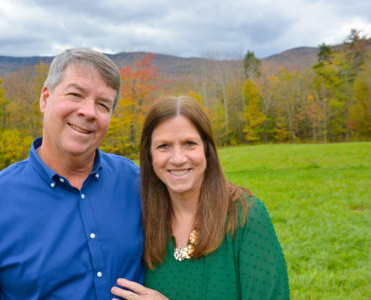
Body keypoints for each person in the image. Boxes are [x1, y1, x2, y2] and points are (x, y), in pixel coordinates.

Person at [0, 48, 144, 299]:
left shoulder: (137, 184)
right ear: (45, 98)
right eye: (75, 95)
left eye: (102, 104)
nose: (89, 112)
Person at [111, 96, 289, 299]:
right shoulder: (142, 219)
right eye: (163, 146)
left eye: (189, 144)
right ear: (149, 156)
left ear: (207, 149)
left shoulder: (246, 216)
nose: (178, 158)